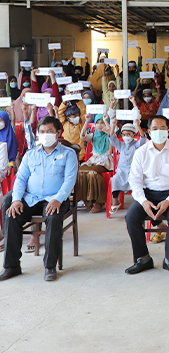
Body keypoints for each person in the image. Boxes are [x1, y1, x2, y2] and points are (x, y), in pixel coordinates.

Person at [0, 116, 77, 282]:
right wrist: (17, 200)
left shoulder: (68, 154)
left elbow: (70, 180)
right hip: (32, 198)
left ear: (58, 133)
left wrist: (58, 199)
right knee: (11, 208)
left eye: (49, 131)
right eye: (42, 131)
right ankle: (11, 265)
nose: (45, 134)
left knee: (53, 217)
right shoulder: (31, 154)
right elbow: (20, 178)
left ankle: (50, 266)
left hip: (55, 198)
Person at [125, 115, 169, 276]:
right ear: (148, 131)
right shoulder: (141, 152)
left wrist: (168, 201)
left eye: (162, 128)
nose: (158, 131)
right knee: (131, 217)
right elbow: (135, 181)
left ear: (168, 131)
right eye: (155, 128)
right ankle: (143, 258)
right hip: (148, 194)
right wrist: (143, 201)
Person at [108, 119, 146, 214]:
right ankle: (115, 201)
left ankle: (137, 204)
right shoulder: (121, 145)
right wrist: (113, 125)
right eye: (124, 134)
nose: (126, 137)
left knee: (137, 182)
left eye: (129, 134)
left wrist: (138, 126)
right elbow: (112, 138)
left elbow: (143, 138)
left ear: (134, 134)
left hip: (134, 170)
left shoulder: (136, 145)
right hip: (121, 170)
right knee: (115, 179)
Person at [78, 113, 113, 213]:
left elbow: (111, 133)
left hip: (105, 160)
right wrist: (87, 121)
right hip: (93, 160)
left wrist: (106, 121)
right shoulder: (93, 136)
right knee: (80, 171)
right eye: (97, 123)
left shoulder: (109, 136)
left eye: (102, 123)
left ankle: (99, 201)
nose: (100, 125)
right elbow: (82, 136)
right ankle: (86, 199)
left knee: (92, 172)